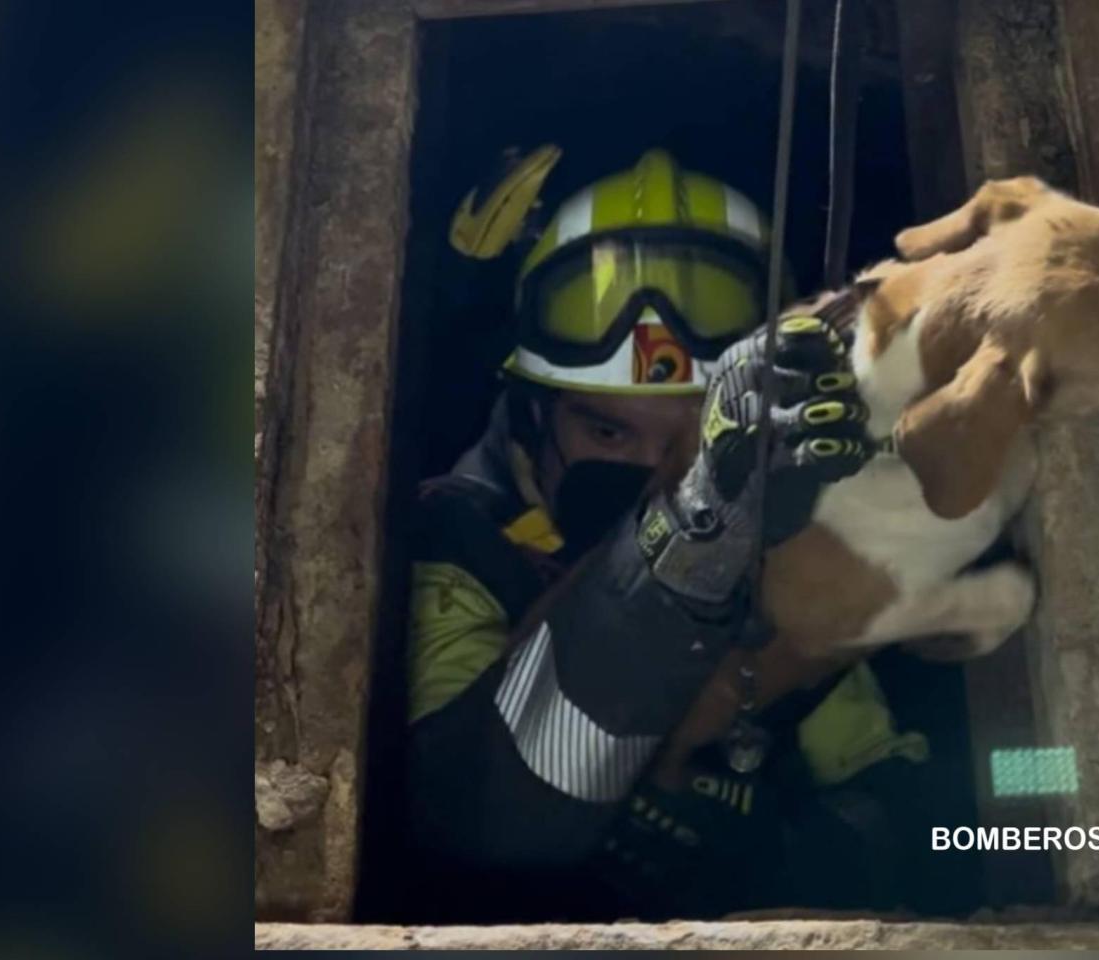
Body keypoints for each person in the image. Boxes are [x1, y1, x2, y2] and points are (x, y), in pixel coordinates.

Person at [399, 150, 982, 923]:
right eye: (608, 428)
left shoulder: (796, 547)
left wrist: (785, 857)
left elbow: (900, 797)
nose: (651, 469)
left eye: (692, 444)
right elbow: (467, 812)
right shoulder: (459, 538)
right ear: (534, 413)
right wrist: (689, 521)